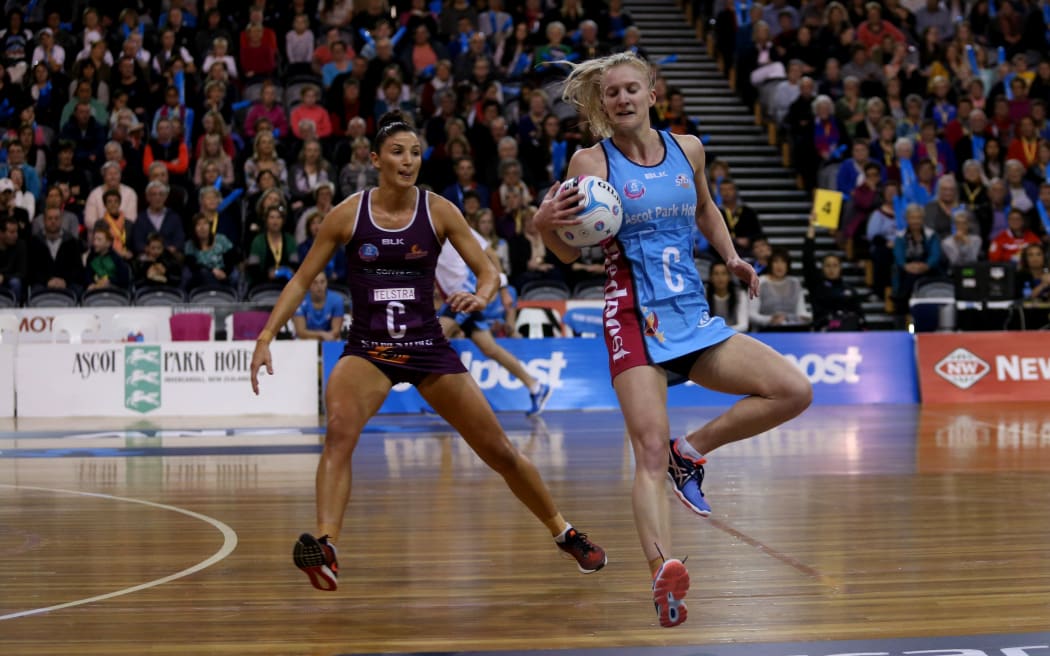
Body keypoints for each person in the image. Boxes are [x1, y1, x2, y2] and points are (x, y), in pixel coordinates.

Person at [249, 111, 607, 594]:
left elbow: (489, 272)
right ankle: (328, 544)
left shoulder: (438, 210)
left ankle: (565, 533)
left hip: (426, 346)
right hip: (369, 350)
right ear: (374, 159)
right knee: (338, 434)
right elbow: (301, 279)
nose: (408, 160)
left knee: (499, 451)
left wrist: (479, 298)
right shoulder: (347, 214)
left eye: (415, 152)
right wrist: (267, 335)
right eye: (397, 152)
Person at [533, 52, 811, 628]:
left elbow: (706, 208)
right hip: (632, 317)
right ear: (603, 105)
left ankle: (694, 452)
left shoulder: (688, 149)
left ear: (652, 94)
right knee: (647, 450)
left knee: (793, 390)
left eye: (632, 89)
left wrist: (732, 257)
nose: (623, 99)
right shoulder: (591, 160)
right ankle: (662, 574)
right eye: (612, 94)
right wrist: (543, 227)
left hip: (690, 313)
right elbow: (566, 249)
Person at [435, 219, 553, 417]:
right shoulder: (425, 233)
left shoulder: (455, 225)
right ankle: (535, 385)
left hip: (465, 294)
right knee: (490, 348)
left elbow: (490, 254)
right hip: (453, 298)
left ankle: (446, 400)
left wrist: (503, 288)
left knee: (436, 341)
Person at [293, 272, 345, 340]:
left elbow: (336, 331)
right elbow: (301, 332)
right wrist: (321, 335)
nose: (319, 286)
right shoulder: (299, 300)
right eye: (315, 282)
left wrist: (326, 336)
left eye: (322, 282)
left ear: (326, 283)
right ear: (309, 284)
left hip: (329, 338)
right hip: (306, 339)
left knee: (337, 339)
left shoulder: (337, 300)